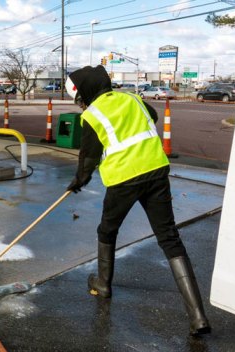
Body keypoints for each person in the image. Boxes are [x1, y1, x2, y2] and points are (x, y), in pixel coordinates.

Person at [65, 66, 211, 336]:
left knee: (107, 230)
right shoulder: (133, 99)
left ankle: (103, 285)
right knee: (168, 236)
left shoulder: (92, 115)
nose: (80, 103)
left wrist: (79, 180)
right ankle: (198, 316)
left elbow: (89, 156)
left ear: (85, 91)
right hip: (156, 171)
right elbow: (151, 117)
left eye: (78, 98)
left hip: (123, 179)